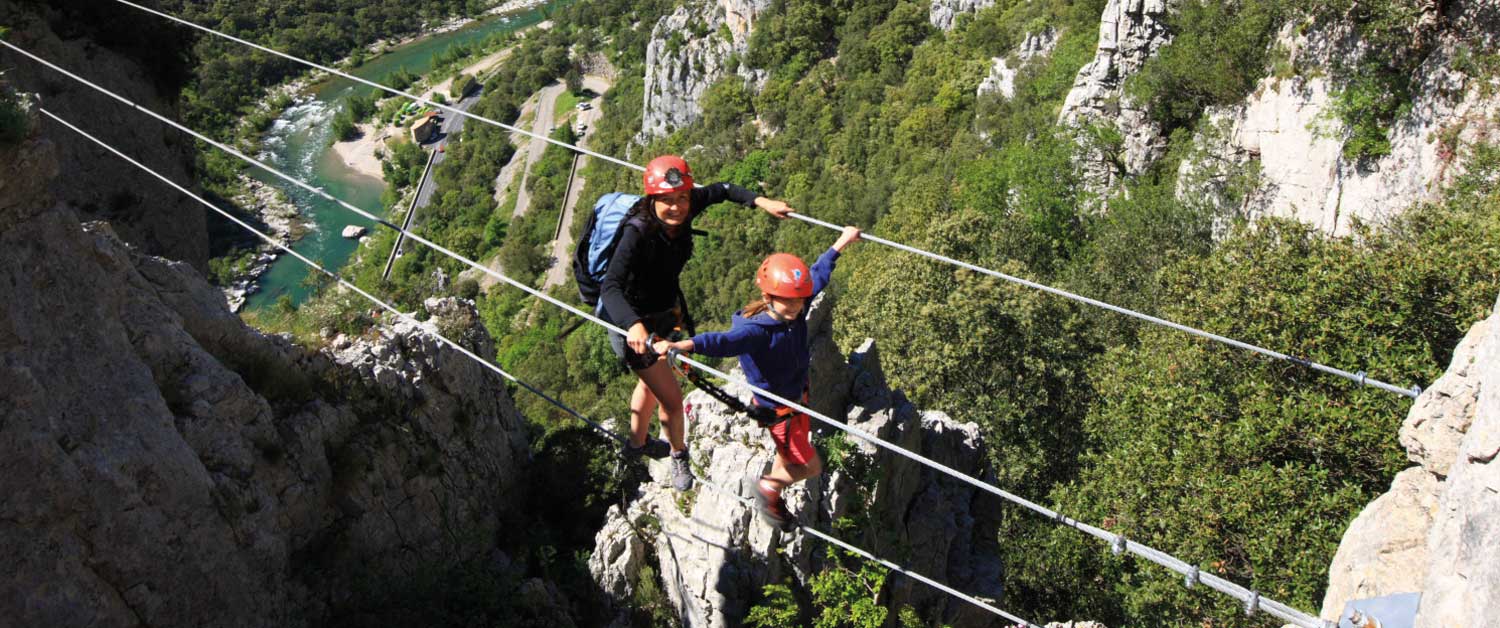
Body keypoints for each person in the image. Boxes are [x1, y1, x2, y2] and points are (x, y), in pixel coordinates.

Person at [600, 154, 794, 491]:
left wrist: (761, 202)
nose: (677, 208)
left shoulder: (689, 203)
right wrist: (632, 324)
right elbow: (610, 287)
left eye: (682, 198)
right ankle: (678, 454)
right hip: (635, 327)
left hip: (664, 314)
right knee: (672, 402)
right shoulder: (637, 231)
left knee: (650, 383)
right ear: (652, 199)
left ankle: (635, 443)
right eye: (667, 201)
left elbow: (722, 189)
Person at [654, 226, 862, 527]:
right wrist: (683, 344)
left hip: (796, 398)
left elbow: (818, 275)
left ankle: (773, 491)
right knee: (811, 466)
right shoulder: (756, 331)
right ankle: (769, 488)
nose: (796, 307)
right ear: (768, 296)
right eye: (788, 301)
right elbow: (722, 341)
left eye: (799, 301)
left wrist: (842, 241)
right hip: (778, 410)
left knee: (789, 454)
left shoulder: (795, 306)